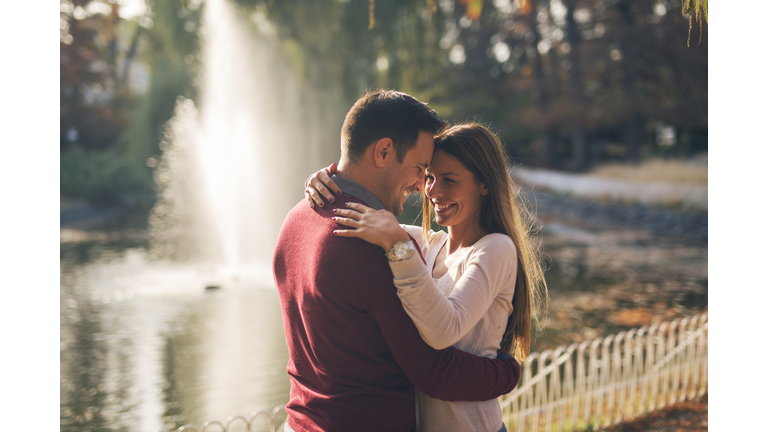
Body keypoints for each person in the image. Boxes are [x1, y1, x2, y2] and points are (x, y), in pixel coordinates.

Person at [272, 91, 523, 432]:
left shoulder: (297, 218)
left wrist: (330, 176)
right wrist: (506, 372)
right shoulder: (374, 248)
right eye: (423, 170)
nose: (424, 187)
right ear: (384, 151)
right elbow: (435, 373)